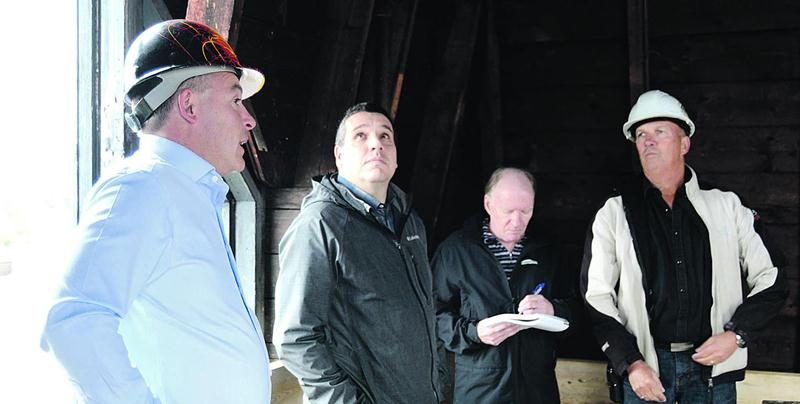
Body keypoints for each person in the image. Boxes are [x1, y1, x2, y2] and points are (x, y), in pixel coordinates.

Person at [41, 20, 271, 403]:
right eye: (235, 99)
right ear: (189, 105)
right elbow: (73, 321)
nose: (248, 119)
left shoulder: (187, 192)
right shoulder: (142, 188)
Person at [580, 89, 787, 403]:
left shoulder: (728, 207)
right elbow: (596, 296)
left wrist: (737, 335)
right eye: (640, 134)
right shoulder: (613, 213)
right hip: (646, 372)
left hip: (712, 370)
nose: (648, 141)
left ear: (684, 143)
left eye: (660, 132)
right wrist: (631, 362)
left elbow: (772, 276)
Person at [273, 102, 443, 403]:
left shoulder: (409, 222)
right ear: (339, 155)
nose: (376, 144)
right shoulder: (319, 225)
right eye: (361, 136)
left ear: (396, 158)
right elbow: (295, 337)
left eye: (385, 136)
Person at [432, 167, 579, 403]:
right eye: (508, 211)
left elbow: (578, 311)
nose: (517, 221)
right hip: (479, 391)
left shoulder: (551, 251)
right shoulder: (455, 251)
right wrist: (474, 332)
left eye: (525, 211)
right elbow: (432, 315)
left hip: (538, 390)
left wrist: (553, 310)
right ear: (488, 204)